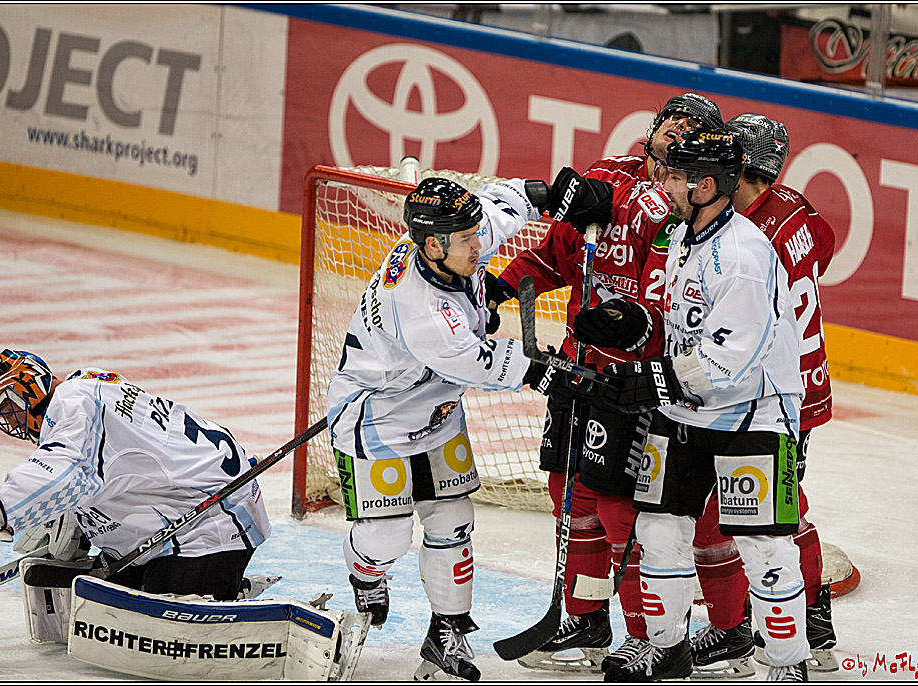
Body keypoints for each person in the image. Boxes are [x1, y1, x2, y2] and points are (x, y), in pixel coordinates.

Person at [326, 173, 603, 681]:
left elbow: (506, 203)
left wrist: (551, 193)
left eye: (476, 235)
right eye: (468, 241)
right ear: (433, 244)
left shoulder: (452, 241)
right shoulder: (421, 310)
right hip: (377, 418)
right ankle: (365, 572)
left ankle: (447, 631)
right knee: (386, 538)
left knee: (453, 518)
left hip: (436, 411)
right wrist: (545, 372)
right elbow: (478, 362)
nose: (480, 246)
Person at [491, 93, 723, 673]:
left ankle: (646, 633)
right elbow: (556, 257)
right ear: (651, 134)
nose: (675, 136)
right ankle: (586, 617)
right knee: (568, 496)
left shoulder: (681, 208)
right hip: (576, 366)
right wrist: (503, 286)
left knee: (623, 511)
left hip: (632, 381)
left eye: (689, 133)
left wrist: (632, 320)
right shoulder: (604, 180)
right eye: (669, 125)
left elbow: (671, 295)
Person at [589, 129, 811, 681]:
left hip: (754, 412)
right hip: (688, 407)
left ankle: (788, 665)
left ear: (705, 185)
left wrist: (650, 377)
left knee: (764, 545)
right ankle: (668, 648)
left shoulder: (743, 255)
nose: (661, 180)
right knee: (659, 528)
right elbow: (686, 324)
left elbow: (726, 359)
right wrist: (633, 325)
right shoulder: (686, 235)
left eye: (674, 174)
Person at [683, 113, 838, 677]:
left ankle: (734, 631)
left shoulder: (746, 237)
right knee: (783, 506)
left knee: (753, 515)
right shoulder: (792, 205)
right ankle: (813, 617)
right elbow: (824, 241)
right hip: (807, 381)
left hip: (769, 390)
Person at [0, 349, 271, 601]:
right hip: (184, 510)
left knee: (152, 621)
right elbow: (104, 471)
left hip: (210, 523)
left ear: (30, 390)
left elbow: (61, 474)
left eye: (10, 407)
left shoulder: (72, 406)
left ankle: (227, 592)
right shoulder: (86, 388)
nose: (11, 422)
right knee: (99, 600)